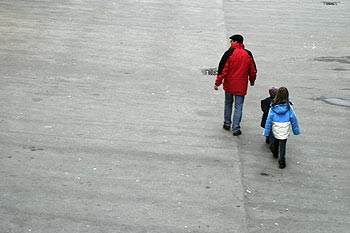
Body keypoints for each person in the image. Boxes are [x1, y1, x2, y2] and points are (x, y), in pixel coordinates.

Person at [214, 34, 257, 136]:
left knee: (228, 103)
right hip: (241, 85)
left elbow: (222, 69)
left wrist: (217, 83)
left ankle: (227, 123)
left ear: (236, 42)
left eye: (231, 41)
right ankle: (236, 128)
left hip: (229, 84)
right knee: (239, 106)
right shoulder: (248, 54)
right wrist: (252, 80)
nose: (230, 43)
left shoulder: (229, 53)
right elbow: (253, 70)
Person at [263, 87, 300, 169]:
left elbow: (269, 120)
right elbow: (293, 119)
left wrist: (266, 132)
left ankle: (275, 151)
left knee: (276, 140)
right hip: (285, 126)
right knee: (283, 144)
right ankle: (282, 160)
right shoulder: (289, 107)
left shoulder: (273, 107)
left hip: (276, 126)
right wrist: (296, 130)